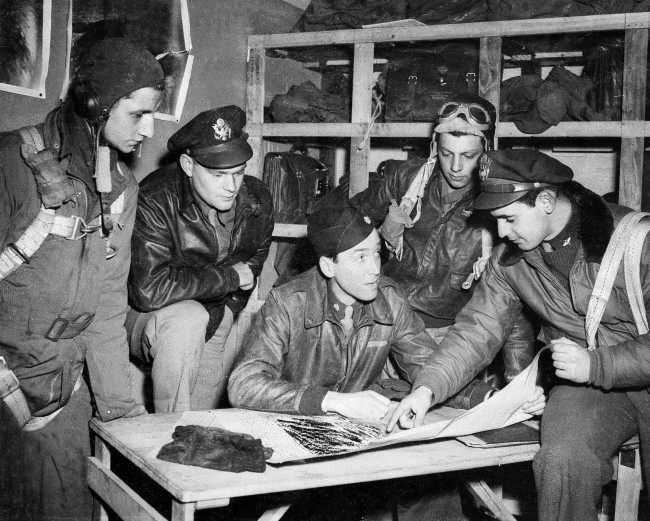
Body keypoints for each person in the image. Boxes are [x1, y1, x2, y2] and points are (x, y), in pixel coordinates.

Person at [389, 149, 649, 521]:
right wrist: (427, 388)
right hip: (589, 384)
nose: (500, 232)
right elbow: (477, 330)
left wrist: (596, 364)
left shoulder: (638, 244)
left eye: (509, 218)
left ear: (545, 201)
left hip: (613, 369)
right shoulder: (510, 261)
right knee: (561, 459)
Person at [0, 37, 164, 521]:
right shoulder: (12, 160)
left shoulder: (121, 192)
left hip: (62, 386)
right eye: (138, 114)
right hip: (5, 373)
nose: (150, 130)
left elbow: (109, 305)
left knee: (75, 507)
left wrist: (120, 412)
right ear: (96, 104)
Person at [352, 93, 535, 389]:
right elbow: (343, 224)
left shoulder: (501, 207)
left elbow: (512, 303)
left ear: (486, 151)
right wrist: (375, 234)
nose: (456, 167)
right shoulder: (406, 180)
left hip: (442, 340)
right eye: (448, 153)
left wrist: (519, 386)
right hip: (381, 322)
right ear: (435, 146)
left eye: (469, 156)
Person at [227, 190, 438, 420]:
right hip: (292, 422)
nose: (376, 269)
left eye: (376, 253)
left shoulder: (390, 300)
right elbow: (244, 384)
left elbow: (431, 367)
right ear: (329, 267)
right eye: (361, 257)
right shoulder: (288, 303)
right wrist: (331, 401)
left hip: (355, 429)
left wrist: (482, 396)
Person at [127, 106, 273, 413]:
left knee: (204, 420)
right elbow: (148, 290)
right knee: (188, 319)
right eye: (219, 174)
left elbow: (254, 263)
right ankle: (166, 436)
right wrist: (230, 279)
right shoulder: (156, 197)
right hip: (151, 317)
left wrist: (227, 315)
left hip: (216, 313)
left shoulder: (257, 198)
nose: (232, 186)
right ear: (189, 165)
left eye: (238, 172)